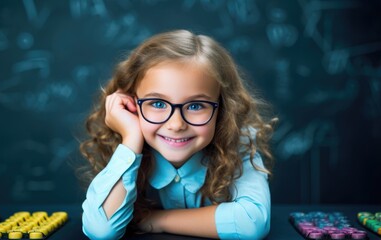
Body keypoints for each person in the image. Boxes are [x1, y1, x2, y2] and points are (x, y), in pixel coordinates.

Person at [79, 29, 277, 239]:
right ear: (132, 104)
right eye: (157, 103)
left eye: (195, 106)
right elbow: (101, 231)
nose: (176, 124)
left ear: (222, 109)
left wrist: (155, 220)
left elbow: (251, 223)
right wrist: (131, 139)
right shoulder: (125, 143)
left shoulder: (240, 142)